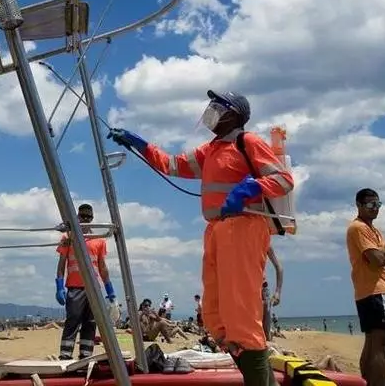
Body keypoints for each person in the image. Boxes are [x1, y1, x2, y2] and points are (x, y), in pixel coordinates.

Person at [109, 89, 294, 386]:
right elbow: (173, 164)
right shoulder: (211, 149)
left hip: (244, 228)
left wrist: (250, 189)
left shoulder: (248, 142)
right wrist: (139, 144)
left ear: (233, 114)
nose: (210, 110)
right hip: (217, 230)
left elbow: (283, 179)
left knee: (242, 316)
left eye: (217, 106)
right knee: (215, 315)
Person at [346, 188, 385, 386]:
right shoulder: (359, 228)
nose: (375, 208)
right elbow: (377, 260)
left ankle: (368, 381)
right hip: (376, 291)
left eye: (377, 204)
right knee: (381, 343)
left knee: (372, 344)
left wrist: (381, 251)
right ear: (359, 205)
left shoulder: (374, 231)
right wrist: (382, 251)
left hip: (372, 292)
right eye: (370, 204)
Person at [54, 203, 116, 360]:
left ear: (92, 218)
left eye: (89, 217)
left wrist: (109, 290)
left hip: (94, 288)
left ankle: (85, 355)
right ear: (77, 217)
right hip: (75, 287)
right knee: (73, 320)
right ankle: (65, 355)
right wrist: (59, 286)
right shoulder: (68, 238)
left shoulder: (99, 241)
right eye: (83, 216)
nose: (86, 220)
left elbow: (102, 267)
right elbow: (61, 264)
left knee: (91, 322)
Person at [263, 245, 283, 341]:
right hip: (244, 291)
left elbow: (279, 267)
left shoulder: (264, 243)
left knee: (265, 332)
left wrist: (277, 292)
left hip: (261, 289)